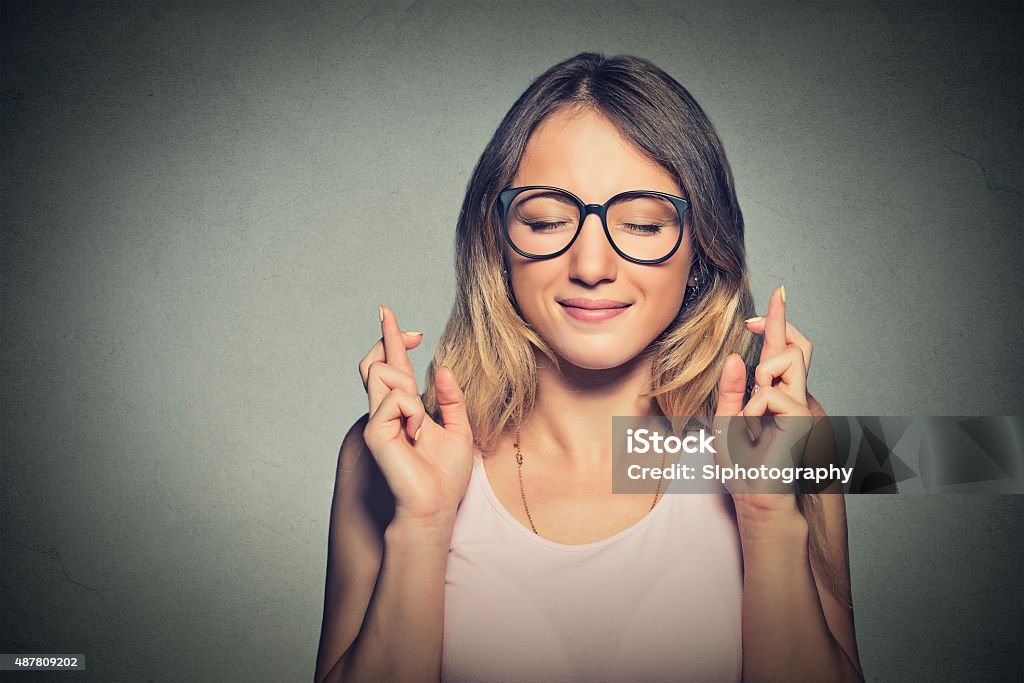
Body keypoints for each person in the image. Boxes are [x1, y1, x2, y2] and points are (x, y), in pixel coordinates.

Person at [314, 52, 864, 682]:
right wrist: (422, 526)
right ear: (494, 240)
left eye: (643, 223)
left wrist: (768, 522)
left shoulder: (793, 435)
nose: (593, 266)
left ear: (703, 246)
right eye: (547, 221)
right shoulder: (387, 454)